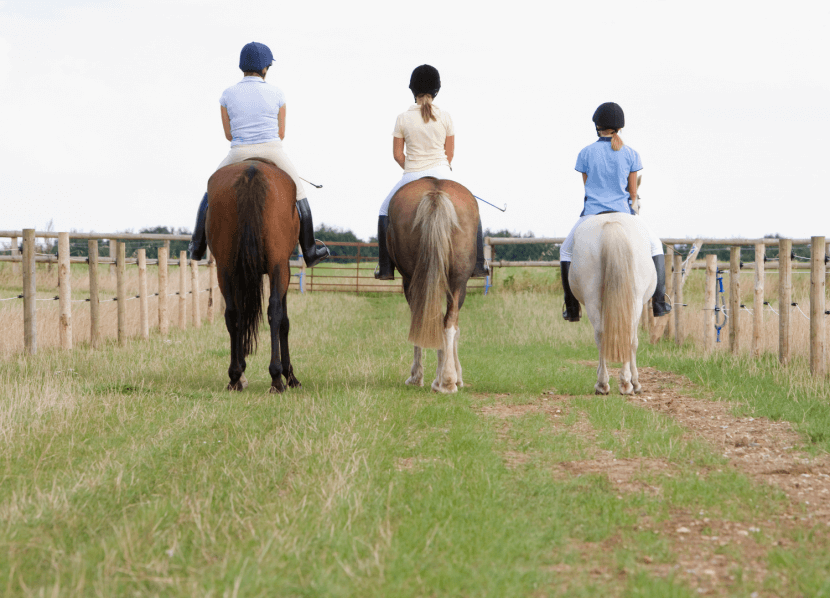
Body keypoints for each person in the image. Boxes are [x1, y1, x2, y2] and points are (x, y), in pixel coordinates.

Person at [189, 42, 329, 267]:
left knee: (209, 192)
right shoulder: (277, 93)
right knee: (300, 194)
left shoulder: (227, 94)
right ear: (265, 68)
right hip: (272, 150)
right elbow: (281, 133)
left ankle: (196, 246)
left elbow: (228, 134)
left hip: (238, 151)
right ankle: (310, 250)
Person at [559, 102, 671, 321]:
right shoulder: (631, 154)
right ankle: (659, 302)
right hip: (623, 211)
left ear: (598, 126)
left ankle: (571, 307)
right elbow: (632, 192)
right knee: (656, 246)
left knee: (565, 251)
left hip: (592, 213)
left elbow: (588, 187)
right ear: (619, 127)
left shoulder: (585, 153)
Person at [374, 64, 488, 280]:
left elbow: (398, 155)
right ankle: (479, 264)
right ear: (436, 91)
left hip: (411, 175)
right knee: (473, 208)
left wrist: (413, 170)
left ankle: (385, 267)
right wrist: (442, 169)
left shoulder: (402, 118)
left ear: (412, 90)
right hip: (443, 173)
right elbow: (450, 153)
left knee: (383, 211)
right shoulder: (445, 117)